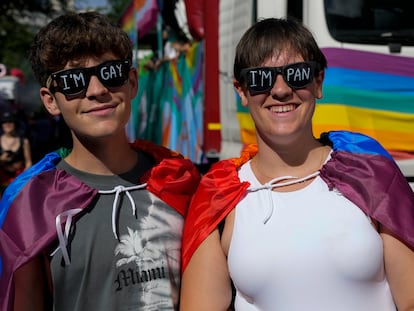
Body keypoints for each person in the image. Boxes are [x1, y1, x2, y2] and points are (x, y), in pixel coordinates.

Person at [180, 17, 414, 311]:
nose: (280, 90)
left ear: (318, 82)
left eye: (297, 74)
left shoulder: (369, 171)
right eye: (261, 79)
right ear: (241, 91)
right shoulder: (219, 197)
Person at [0, 11, 200, 311]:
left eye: (110, 73)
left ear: (132, 82)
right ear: (50, 100)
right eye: (73, 81)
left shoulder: (180, 182)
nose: (97, 91)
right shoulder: (31, 204)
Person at [0, 111, 32, 192]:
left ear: (15, 123)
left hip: (18, 177)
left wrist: (25, 177)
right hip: (2, 178)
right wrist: (1, 159)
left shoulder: (24, 141)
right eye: (4, 122)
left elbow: (28, 162)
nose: (7, 124)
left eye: (10, 121)